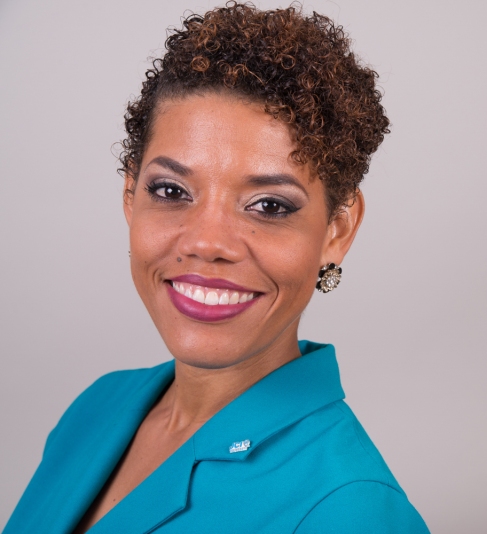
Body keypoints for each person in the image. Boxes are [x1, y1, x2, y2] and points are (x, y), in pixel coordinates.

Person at [3, 3, 429, 533]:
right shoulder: (98, 407)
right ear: (130, 194)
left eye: (269, 205)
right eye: (171, 191)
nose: (207, 243)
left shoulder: (349, 510)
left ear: (337, 230)